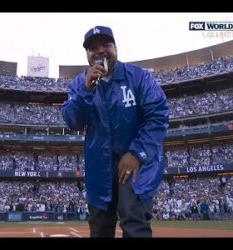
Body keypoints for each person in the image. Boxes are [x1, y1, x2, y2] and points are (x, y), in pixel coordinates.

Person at [61, 26, 169, 237]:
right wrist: (86, 90)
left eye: (106, 45)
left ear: (115, 48)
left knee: (133, 219)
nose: (100, 51)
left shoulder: (139, 77)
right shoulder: (78, 84)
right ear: (87, 55)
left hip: (136, 163)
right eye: (93, 48)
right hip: (99, 169)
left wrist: (137, 153)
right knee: (100, 227)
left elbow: (158, 115)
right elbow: (72, 121)